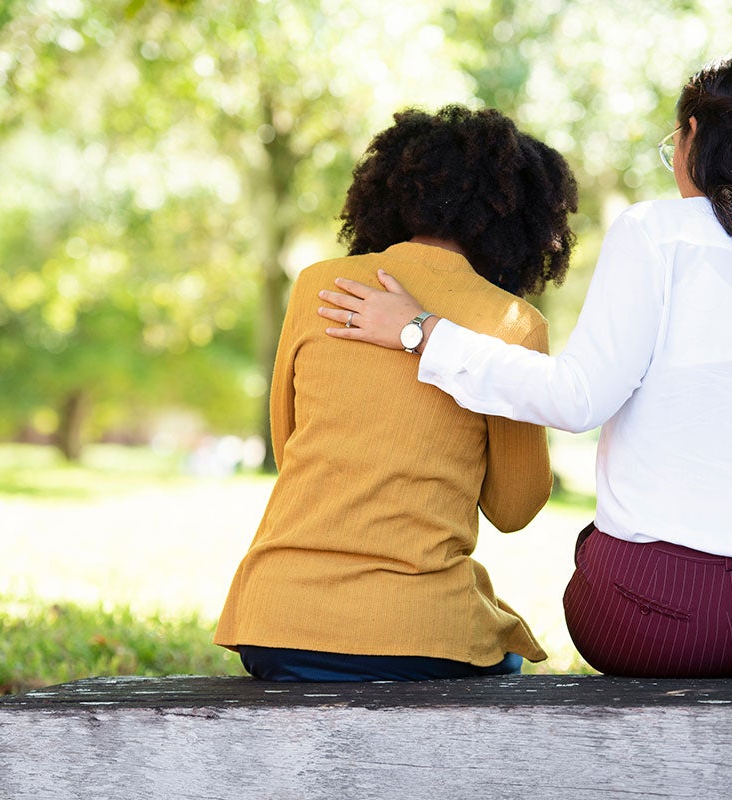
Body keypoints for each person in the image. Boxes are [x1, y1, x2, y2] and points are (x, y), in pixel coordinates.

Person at [317, 53, 732, 678]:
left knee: (600, 567)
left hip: (652, 617)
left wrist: (419, 330)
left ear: (694, 136)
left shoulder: (656, 233)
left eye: (674, 141)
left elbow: (576, 399)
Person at [213, 105, 580, 681]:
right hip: (418, 633)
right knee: (503, 662)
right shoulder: (511, 322)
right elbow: (514, 509)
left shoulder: (316, 286)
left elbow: (291, 453)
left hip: (274, 624)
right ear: (524, 224)